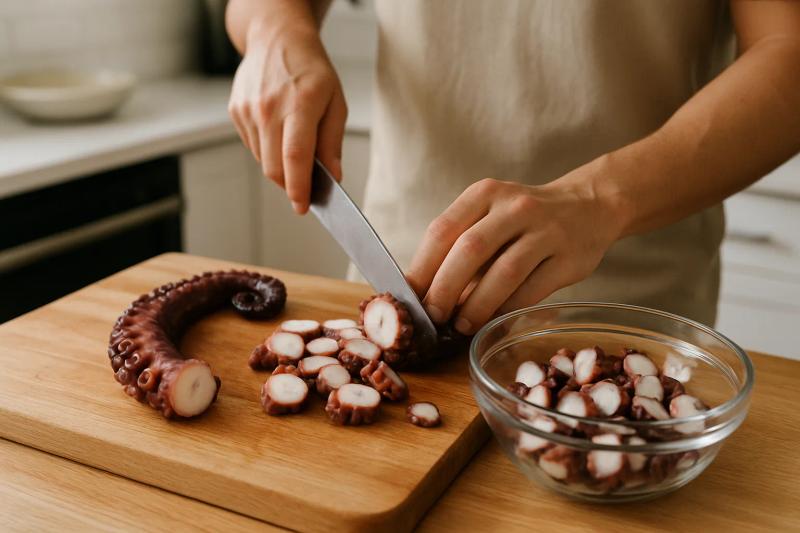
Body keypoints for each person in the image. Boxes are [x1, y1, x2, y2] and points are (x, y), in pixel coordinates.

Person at [225, 0, 800, 335]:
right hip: (397, 292)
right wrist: (275, 31)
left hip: (628, 317)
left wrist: (600, 199)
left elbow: (788, 52)